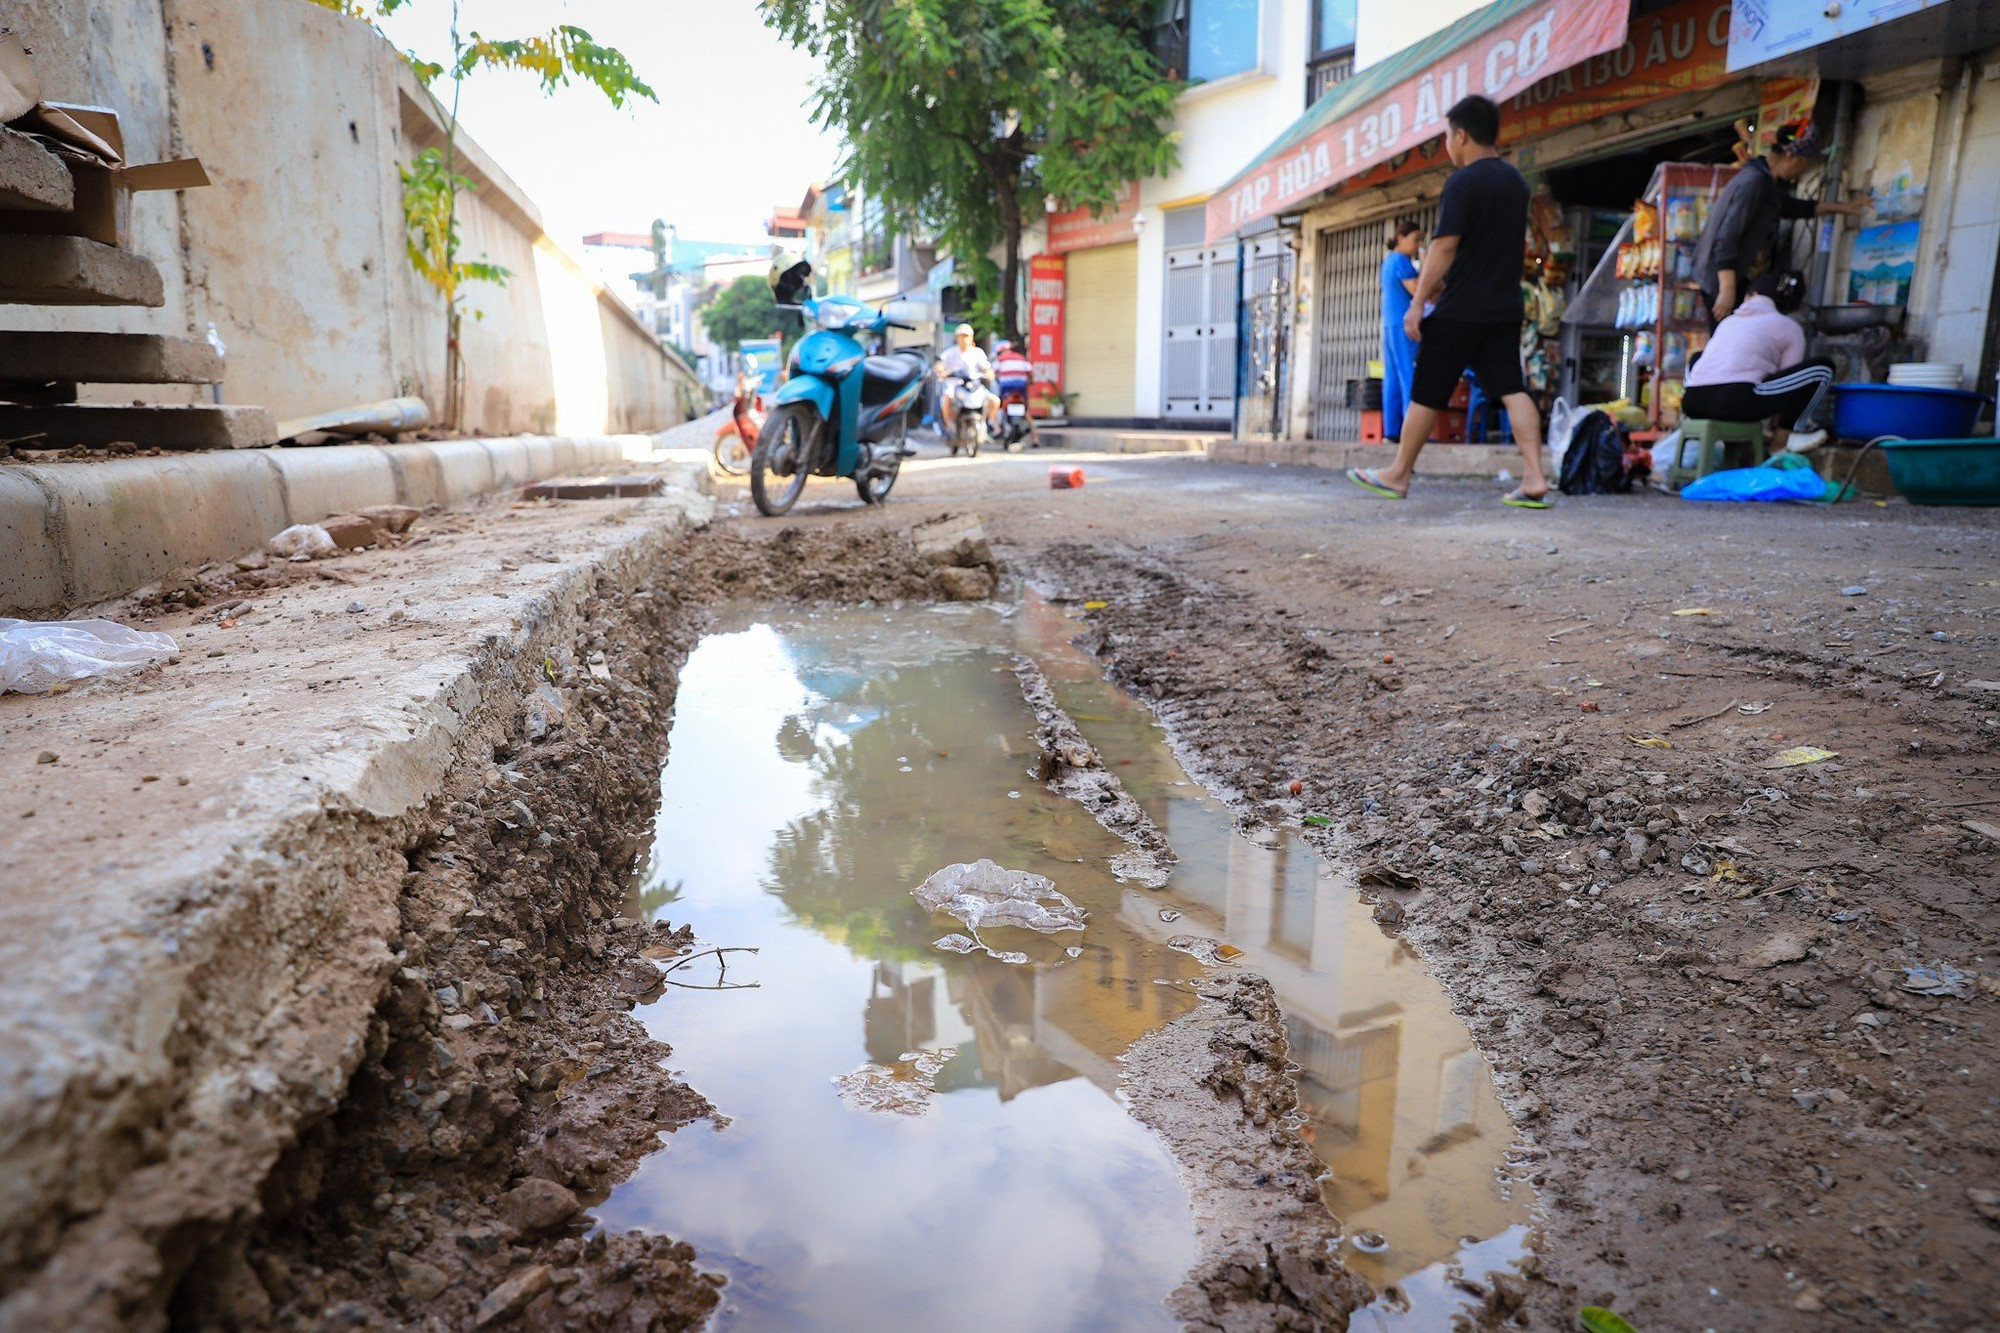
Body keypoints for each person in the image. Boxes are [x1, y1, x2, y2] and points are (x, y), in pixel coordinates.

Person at [1346, 95, 1553, 508]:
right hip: (1504, 308)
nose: (1447, 143)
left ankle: (1398, 474)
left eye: (1446, 135)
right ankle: (1534, 478)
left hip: (1461, 309)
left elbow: (1443, 248)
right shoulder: (1516, 182)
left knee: (1427, 390)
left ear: (1461, 135)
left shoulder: (1464, 181)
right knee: (1512, 389)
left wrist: (1418, 302)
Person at [1694, 120, 1862, 323]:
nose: (1799, 173)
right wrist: (1727, 289)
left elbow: (1796, 207)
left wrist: (1843, 207)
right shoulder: (1754, 182)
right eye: (1803, 165)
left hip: (1733, 282)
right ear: (1790, 156)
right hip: (1720, 283)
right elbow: (1727, 237)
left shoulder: (1766, 183)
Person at [1682, 270, 1832, 452]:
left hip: (1693, 402)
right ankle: (1787, 436)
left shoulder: (1727, 322)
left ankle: (1689, 416)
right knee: (1823, 369)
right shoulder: (1789, 327)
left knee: (1698, 356)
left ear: (1751, 295)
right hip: (1736, 400)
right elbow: (1786, 383)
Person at [1379, 221, 1422, 439]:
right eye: (1415, 240)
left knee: (1393, 378)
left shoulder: (1388, 262)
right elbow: (1416, 291)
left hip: (1389, 324)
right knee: (1409, 376)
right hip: (1404, 325)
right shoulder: (1402, 262)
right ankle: (1410, 432)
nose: (1417, 246)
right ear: (1401, 238)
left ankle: (1392, 432)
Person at [936, 322, 998, 435]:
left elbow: (986, 368)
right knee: (946, 399)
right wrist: (941, 371)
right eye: (961, 336)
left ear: (971, 338)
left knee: (994, 401)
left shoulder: (978, 353)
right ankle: (949, 426)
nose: (964, 339)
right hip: (954, 386)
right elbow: (940, 364)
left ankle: (987, 423)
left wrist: (989, 374)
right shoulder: (950, 353)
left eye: (966, 336)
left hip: (974, 387)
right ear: (957, 338)